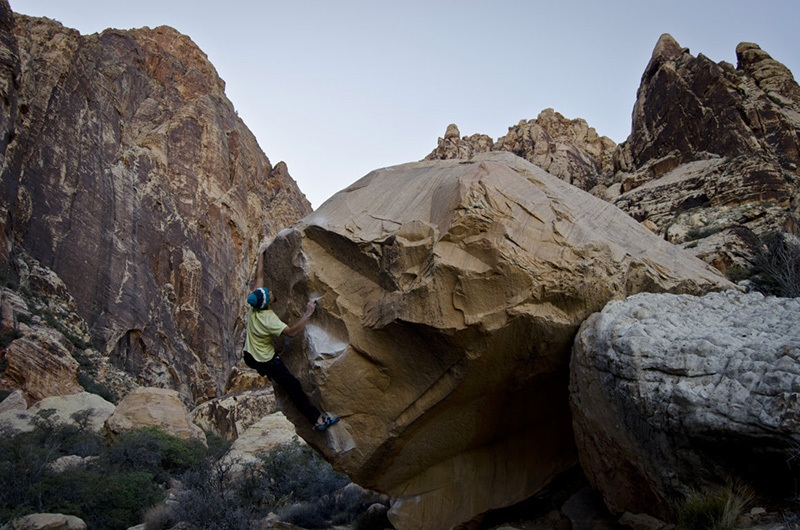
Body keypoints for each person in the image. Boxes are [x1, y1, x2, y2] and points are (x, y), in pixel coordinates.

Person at [243, 242, 339, 432]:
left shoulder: (255, 306)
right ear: (266, 303)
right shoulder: (268, 319)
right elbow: (291, 332)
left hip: (249, 355)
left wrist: (261, 254)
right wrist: (308, 313)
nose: (271, 292)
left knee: (270, 362)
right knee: (293, 386)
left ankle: (267, 371)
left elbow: (258, 277)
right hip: (265, 360)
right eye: (269, 294)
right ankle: (318, 421)